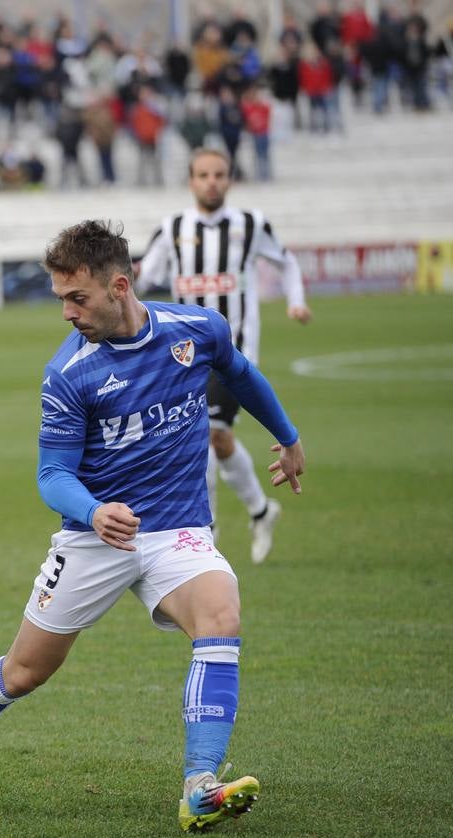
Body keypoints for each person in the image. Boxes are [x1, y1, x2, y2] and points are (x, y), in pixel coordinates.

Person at [0, 220, 306, 833]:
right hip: (93, 537)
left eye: (75, 297)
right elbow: (52, 474)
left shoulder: (197, 331)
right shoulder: (69, 373)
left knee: (221, 613)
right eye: (59, 298)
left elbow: (241, 374)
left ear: (119, 286)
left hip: (175, 528)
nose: (65, 312)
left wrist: (288, 438)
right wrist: (93, 511)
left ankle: (200, 785)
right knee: (25, 671)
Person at [135, 147, 311, 563]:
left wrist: (296, 301)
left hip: (233, 352)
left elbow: (287, 263)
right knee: (219, 438)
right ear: (191, 181)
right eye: (203, 175)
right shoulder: (173, 227)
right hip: (181, 354)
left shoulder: (250, 224)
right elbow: (145, 276)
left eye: (219, 174)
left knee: (205, 436)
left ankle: (204, 535)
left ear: (229, 179)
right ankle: (261, 510)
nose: (212, 181)